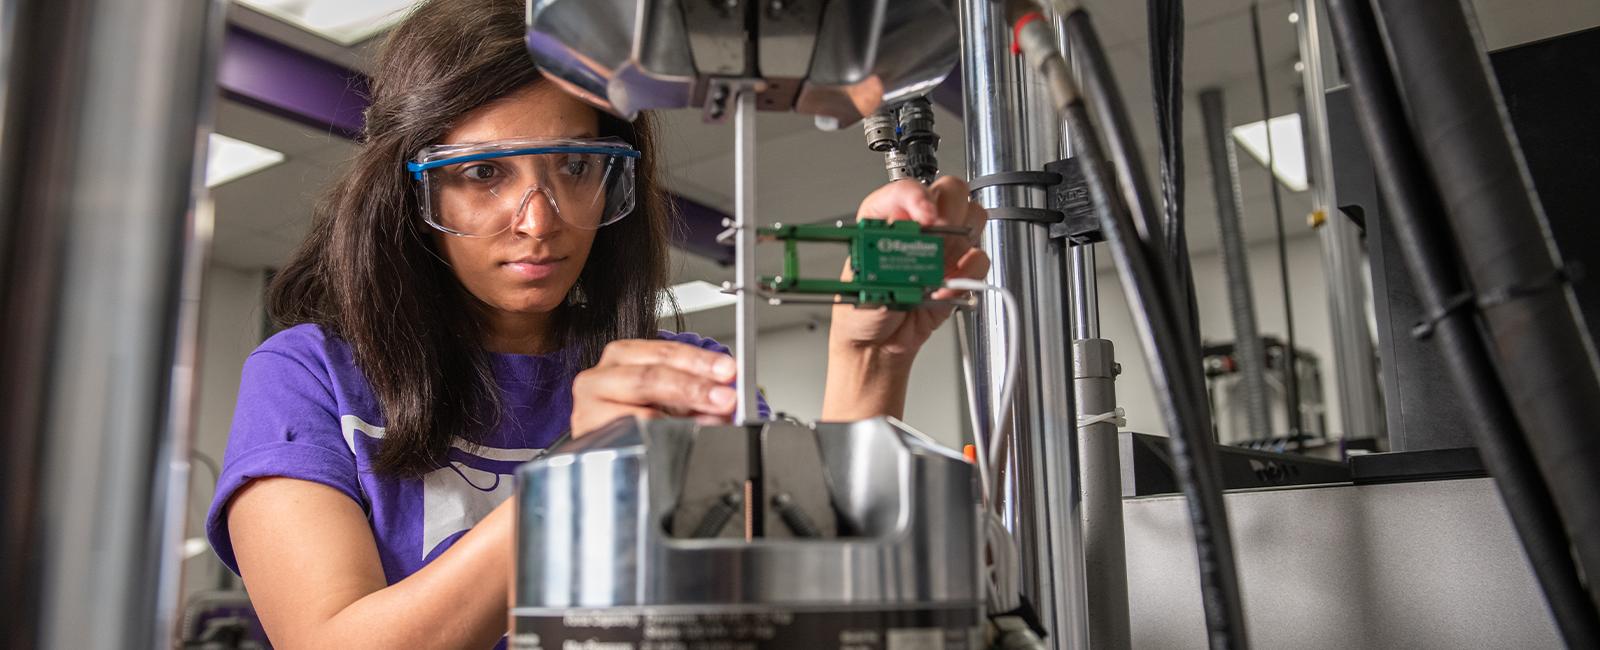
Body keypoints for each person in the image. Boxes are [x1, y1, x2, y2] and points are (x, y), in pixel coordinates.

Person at [205, 0, 990, 648]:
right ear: (410, 194)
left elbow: (810, 608)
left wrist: (868, 363)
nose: (540, 221)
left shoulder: (676, 376)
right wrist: (581, 481)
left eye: (575, 166)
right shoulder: (309, 376)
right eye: (484, 174)